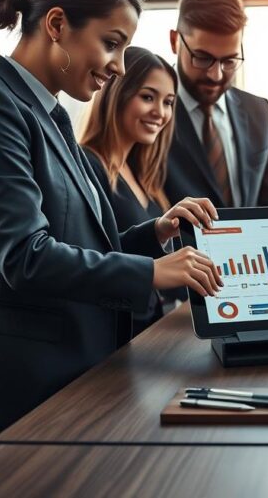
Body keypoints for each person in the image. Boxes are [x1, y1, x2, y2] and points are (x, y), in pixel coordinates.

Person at [0, 0, 223, 447]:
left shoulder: (52, 115)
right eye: (112, 44)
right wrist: (153, 273)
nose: (119, 66)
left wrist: (156, 233)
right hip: (16, 393)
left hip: (78, 370)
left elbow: (83, 242)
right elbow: (26, 257)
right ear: (58, 24)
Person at [165, 0, 268, 208]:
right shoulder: (149, 113)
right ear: (175, 41)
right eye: (202, 58)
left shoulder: (259, 112)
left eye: (229, 61)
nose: (215, 75)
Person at [80, 46, 177, 336]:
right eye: (148, 97)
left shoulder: (141, 174)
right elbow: (91, 259)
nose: (160, 113)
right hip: (118, 338)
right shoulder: (88, 165)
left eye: (169, 102)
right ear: (117, 94)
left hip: (151, 329)